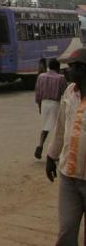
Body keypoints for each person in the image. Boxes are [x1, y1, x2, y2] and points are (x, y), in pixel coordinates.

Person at [46, 48, 86, 245]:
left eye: (71, 67)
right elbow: (61, 127)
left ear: (83, 69)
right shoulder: (70, 92)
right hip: (68, 177)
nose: (67, 71)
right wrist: (51, 156)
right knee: (66, 232)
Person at [34, 58, 67, 159]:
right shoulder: (61, 78)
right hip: (55, 104)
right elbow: (65, 93)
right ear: (58, 67)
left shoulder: (41, 77)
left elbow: (38, 93)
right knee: (59, 128)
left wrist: (39, 106)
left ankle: (40, 145)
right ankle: (55, 152)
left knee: (45, 126)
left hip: (44, 103)